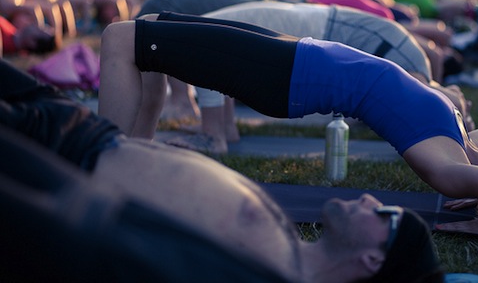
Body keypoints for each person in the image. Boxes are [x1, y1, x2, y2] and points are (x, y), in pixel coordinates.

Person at [98, 15, 478, 237]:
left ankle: (98, 165)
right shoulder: (469, 146)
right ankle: (133, 162)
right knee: (146, 28)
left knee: (122, 39)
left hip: (285, 75)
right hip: (296, 52)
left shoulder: (445, 162)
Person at [0, 58, 443, 283]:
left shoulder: (258, 273)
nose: (370, 199)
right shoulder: (284, 245)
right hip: (84, 130)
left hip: (61, 156)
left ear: (372, 261)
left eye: (384, 214)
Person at [134, 0, 472, 153]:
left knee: (410, 96)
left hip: (373, 39)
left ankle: (454, 105)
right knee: (404, 97)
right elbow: (218, 70)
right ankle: (452, 104)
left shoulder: (206, 29)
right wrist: (222, 129)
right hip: (363, 35)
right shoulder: (221, 21)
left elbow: (208, 63)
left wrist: (213, 135)